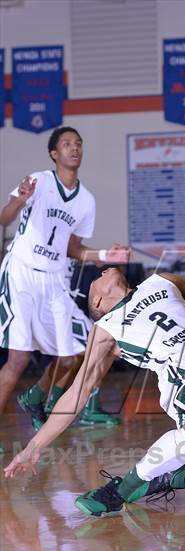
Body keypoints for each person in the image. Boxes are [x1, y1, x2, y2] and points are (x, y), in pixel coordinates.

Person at [4, 269, 185, 515]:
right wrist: (34, 446)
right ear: (97, 301)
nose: (104, 270)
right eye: (98, 275)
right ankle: (120, 491)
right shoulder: (106, 329)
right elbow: (77, 392)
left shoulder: (162, 280)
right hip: (182, 370)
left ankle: (171, 478)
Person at [0, 127, 129, 451]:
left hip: (55, 278)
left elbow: (73, 247)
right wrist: (20, 201)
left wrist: (103, 256)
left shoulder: (86, 200)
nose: (74, 148)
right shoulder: (39, 181)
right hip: (23, 273)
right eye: (66, 144)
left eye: (79, 144)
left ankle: (35, 396)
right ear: (54, 154)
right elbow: (4, 218)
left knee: (74, 356)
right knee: (17, 360)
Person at [17, 258, 120, 431]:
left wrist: (98, 255)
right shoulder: (45, 243)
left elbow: (77, 250)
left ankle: (47, 402)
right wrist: (100, 254)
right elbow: (74, 248)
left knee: (72, 357)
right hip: (50, 300)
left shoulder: (62, 244)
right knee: (101, 345)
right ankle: (88, 409)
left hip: (61, 299)